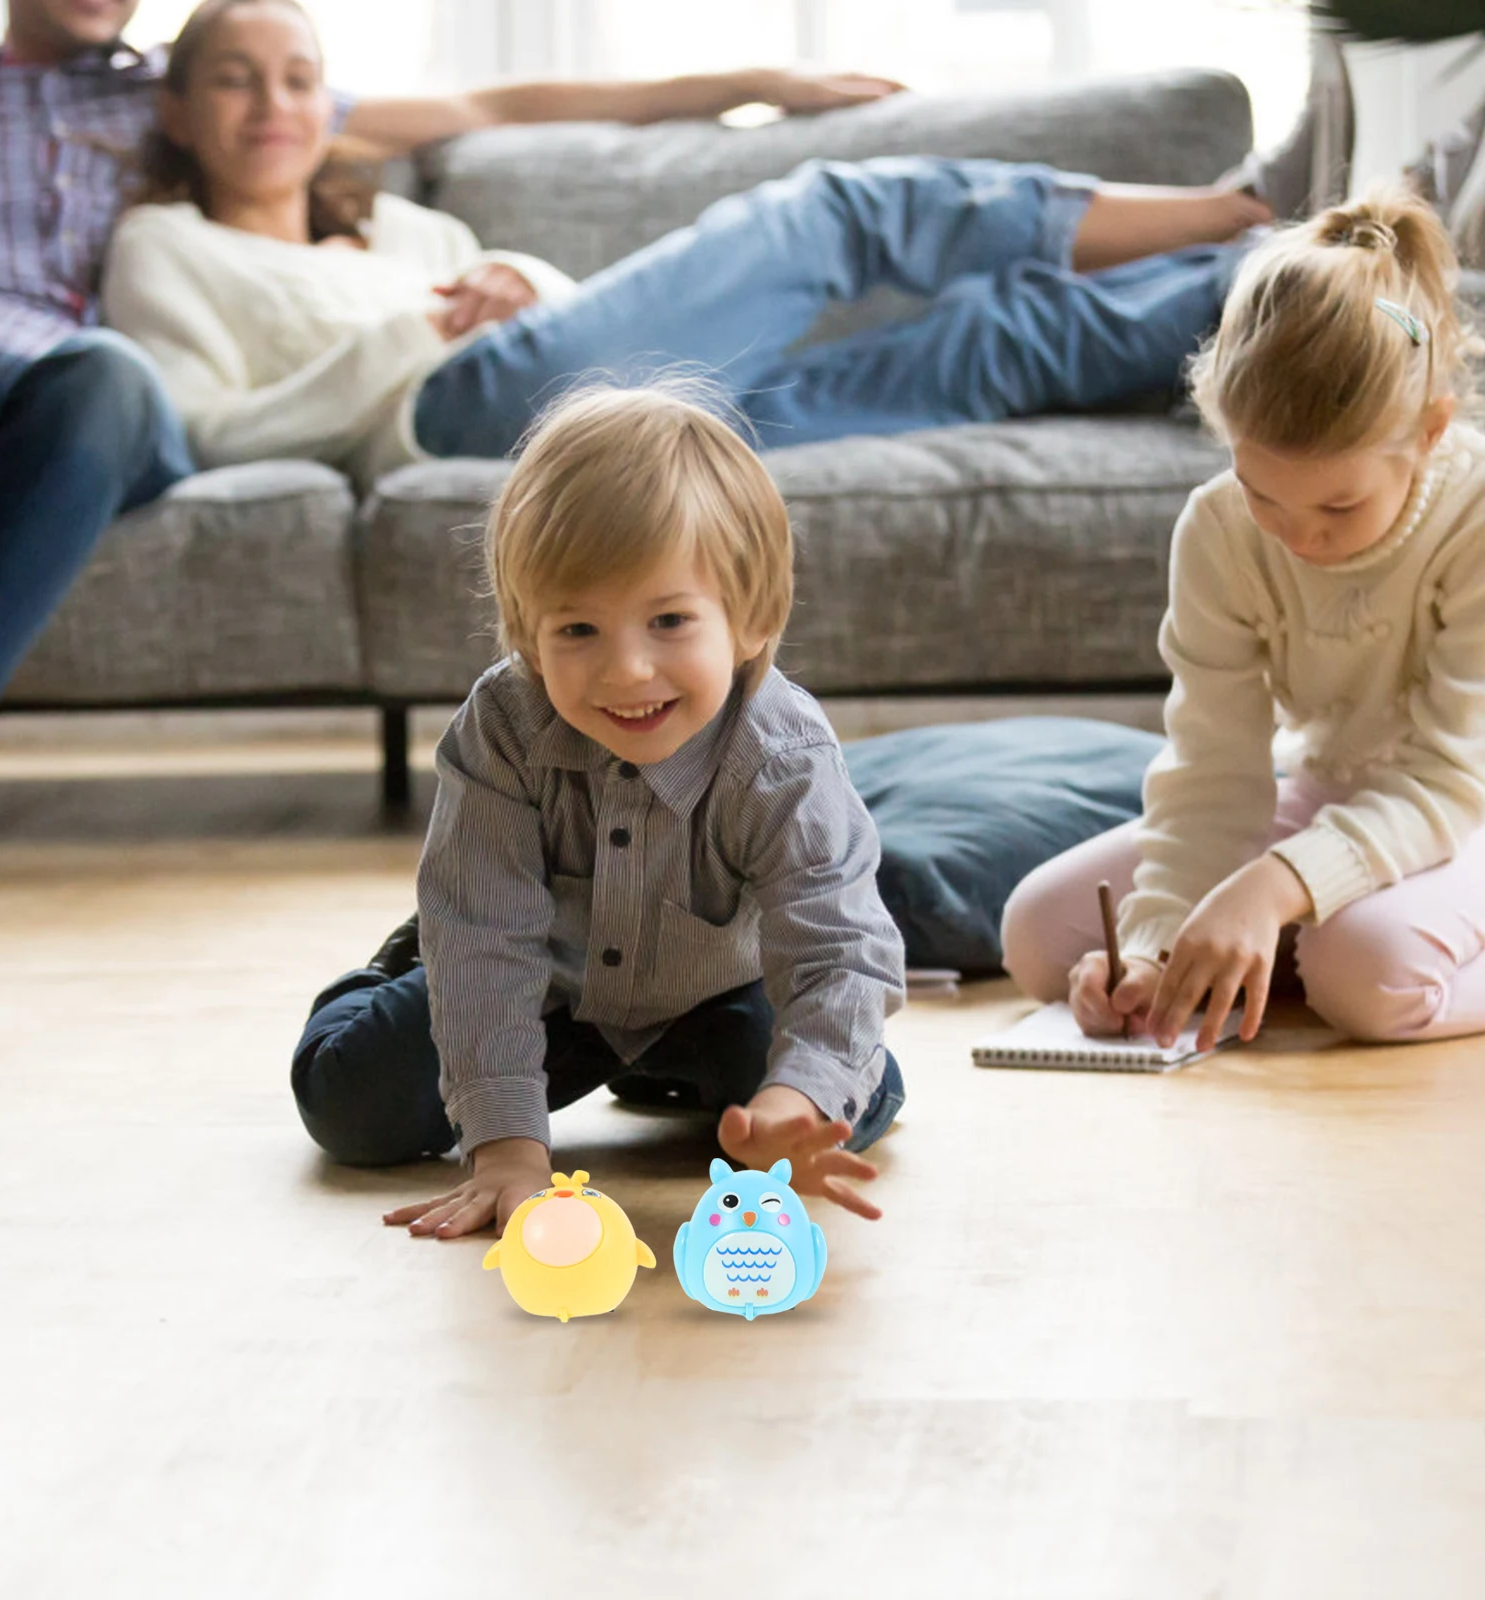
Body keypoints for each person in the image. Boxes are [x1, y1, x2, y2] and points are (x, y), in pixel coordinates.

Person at [0, 0, 895, 846]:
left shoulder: (184, 93)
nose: (268, 99)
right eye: (244, 82)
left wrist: (749, 81)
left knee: (102, 370)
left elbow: (491, 103)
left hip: (83, 409)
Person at [101, 0, 1292, 484]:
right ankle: (1236, 203)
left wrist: (527, 279)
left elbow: (577, 328)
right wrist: (409, 337)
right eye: (235, 81)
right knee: (831, 214)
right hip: (456, 415)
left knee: (980, 346)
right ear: (177, 109)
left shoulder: (408, 225)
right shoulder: (167, 247)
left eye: (298, 79)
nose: (272, 106)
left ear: (332, 105)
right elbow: (197, 433)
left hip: (604, 416)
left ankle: (1284, 277)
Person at [292, 385, 908, 1236]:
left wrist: (792, 1098)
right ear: (525, 634)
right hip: (541, 984)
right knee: (349, 1106)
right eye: (577, 630)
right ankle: (401, 962)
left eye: (668, 620)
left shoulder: (784, 754)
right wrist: (507, 1145)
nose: (625, 671)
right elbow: (487, 938)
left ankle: (675, 1068)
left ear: (753, 619)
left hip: (718, 989)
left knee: (844, 1101)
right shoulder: (505, 726)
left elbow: (840, 948)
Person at [1001, 187, 1485, 1054]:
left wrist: (1269, 889)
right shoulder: (1219, 526)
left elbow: (1452, 781)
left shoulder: (1475, 514)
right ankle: (1295, 941)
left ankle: (1313, 941)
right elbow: (1213, 765)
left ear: (1430, 432)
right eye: (1265, 494)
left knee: (1367, 980)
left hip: (1467, 804)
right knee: (1041, 936)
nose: (1300, 538)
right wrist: (1152, 948)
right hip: (1333, 788)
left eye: (1339, 506)